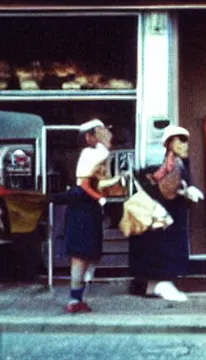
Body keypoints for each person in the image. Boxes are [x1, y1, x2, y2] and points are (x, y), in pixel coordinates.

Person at [128, 124, 203, 302]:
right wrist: (184, 191)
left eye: (186, 141)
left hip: (169, 216)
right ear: (169, 143)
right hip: (166, 217)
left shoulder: (177, 163)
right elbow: (165, 188)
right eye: (181, 140)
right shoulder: (171, 164)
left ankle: (153, 286)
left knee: (165, 248)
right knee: (165, 249)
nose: (185, 145)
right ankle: (160, 284)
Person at [64, 118, 123, 313]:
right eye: (100, 131)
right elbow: (84, 184)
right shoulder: (89, 154)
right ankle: (74, 300)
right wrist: (100, 198)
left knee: (89, 255)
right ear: (90, 136)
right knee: (81, 255)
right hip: (82, 209)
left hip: (89, 210)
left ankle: (79, 297)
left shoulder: (97, 153)